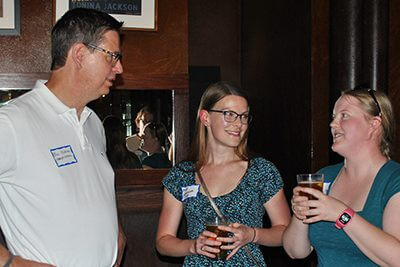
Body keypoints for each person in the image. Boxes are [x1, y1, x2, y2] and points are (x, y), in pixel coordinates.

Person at [0, 8, 126, 266]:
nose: (119, 67)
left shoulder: (94, 124)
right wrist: (9, 262)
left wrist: (117, 237)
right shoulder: (12, 122)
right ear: (79, 54)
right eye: (112, 56)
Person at [156, 81, 290, 266]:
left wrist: (252, 234)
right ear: (205, 117)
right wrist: (193, 246)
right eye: (229, 114)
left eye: (244, 116)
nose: (239, 124)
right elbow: (163, 242)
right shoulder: (182, 175)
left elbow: (287, 233)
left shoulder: (261, 171)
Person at [282, 88, 400, 266]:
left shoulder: (393, 179)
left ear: (374, 125)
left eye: (344, 116)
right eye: (333, 117)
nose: (332, 124)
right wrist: (300, 215)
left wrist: (342, 214)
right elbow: (295, 251)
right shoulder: (325, 177)